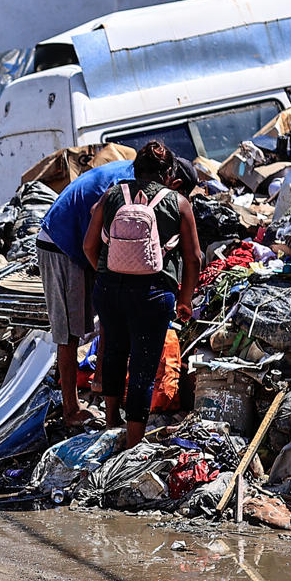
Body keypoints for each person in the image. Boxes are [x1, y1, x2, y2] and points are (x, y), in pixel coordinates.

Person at [38, 155, 201, 427]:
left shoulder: (140, 178)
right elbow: (99, 219)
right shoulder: (126, 187)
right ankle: (70, 410)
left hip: (84, 244)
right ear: (172, 181)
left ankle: (103, 388)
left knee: (109, 316)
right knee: (69, 332)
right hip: (62, 242)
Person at [81, 141, 200, 450]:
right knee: (144, 368)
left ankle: (111, 422)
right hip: (153, 294)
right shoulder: (178, 203)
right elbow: (194, 257)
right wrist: (185, 300)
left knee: (114, 353)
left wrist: (106, 274)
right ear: (170, 172)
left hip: (109, 290)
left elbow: (88, 246)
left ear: (134, 169)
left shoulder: (111, 196)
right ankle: (133, 445)